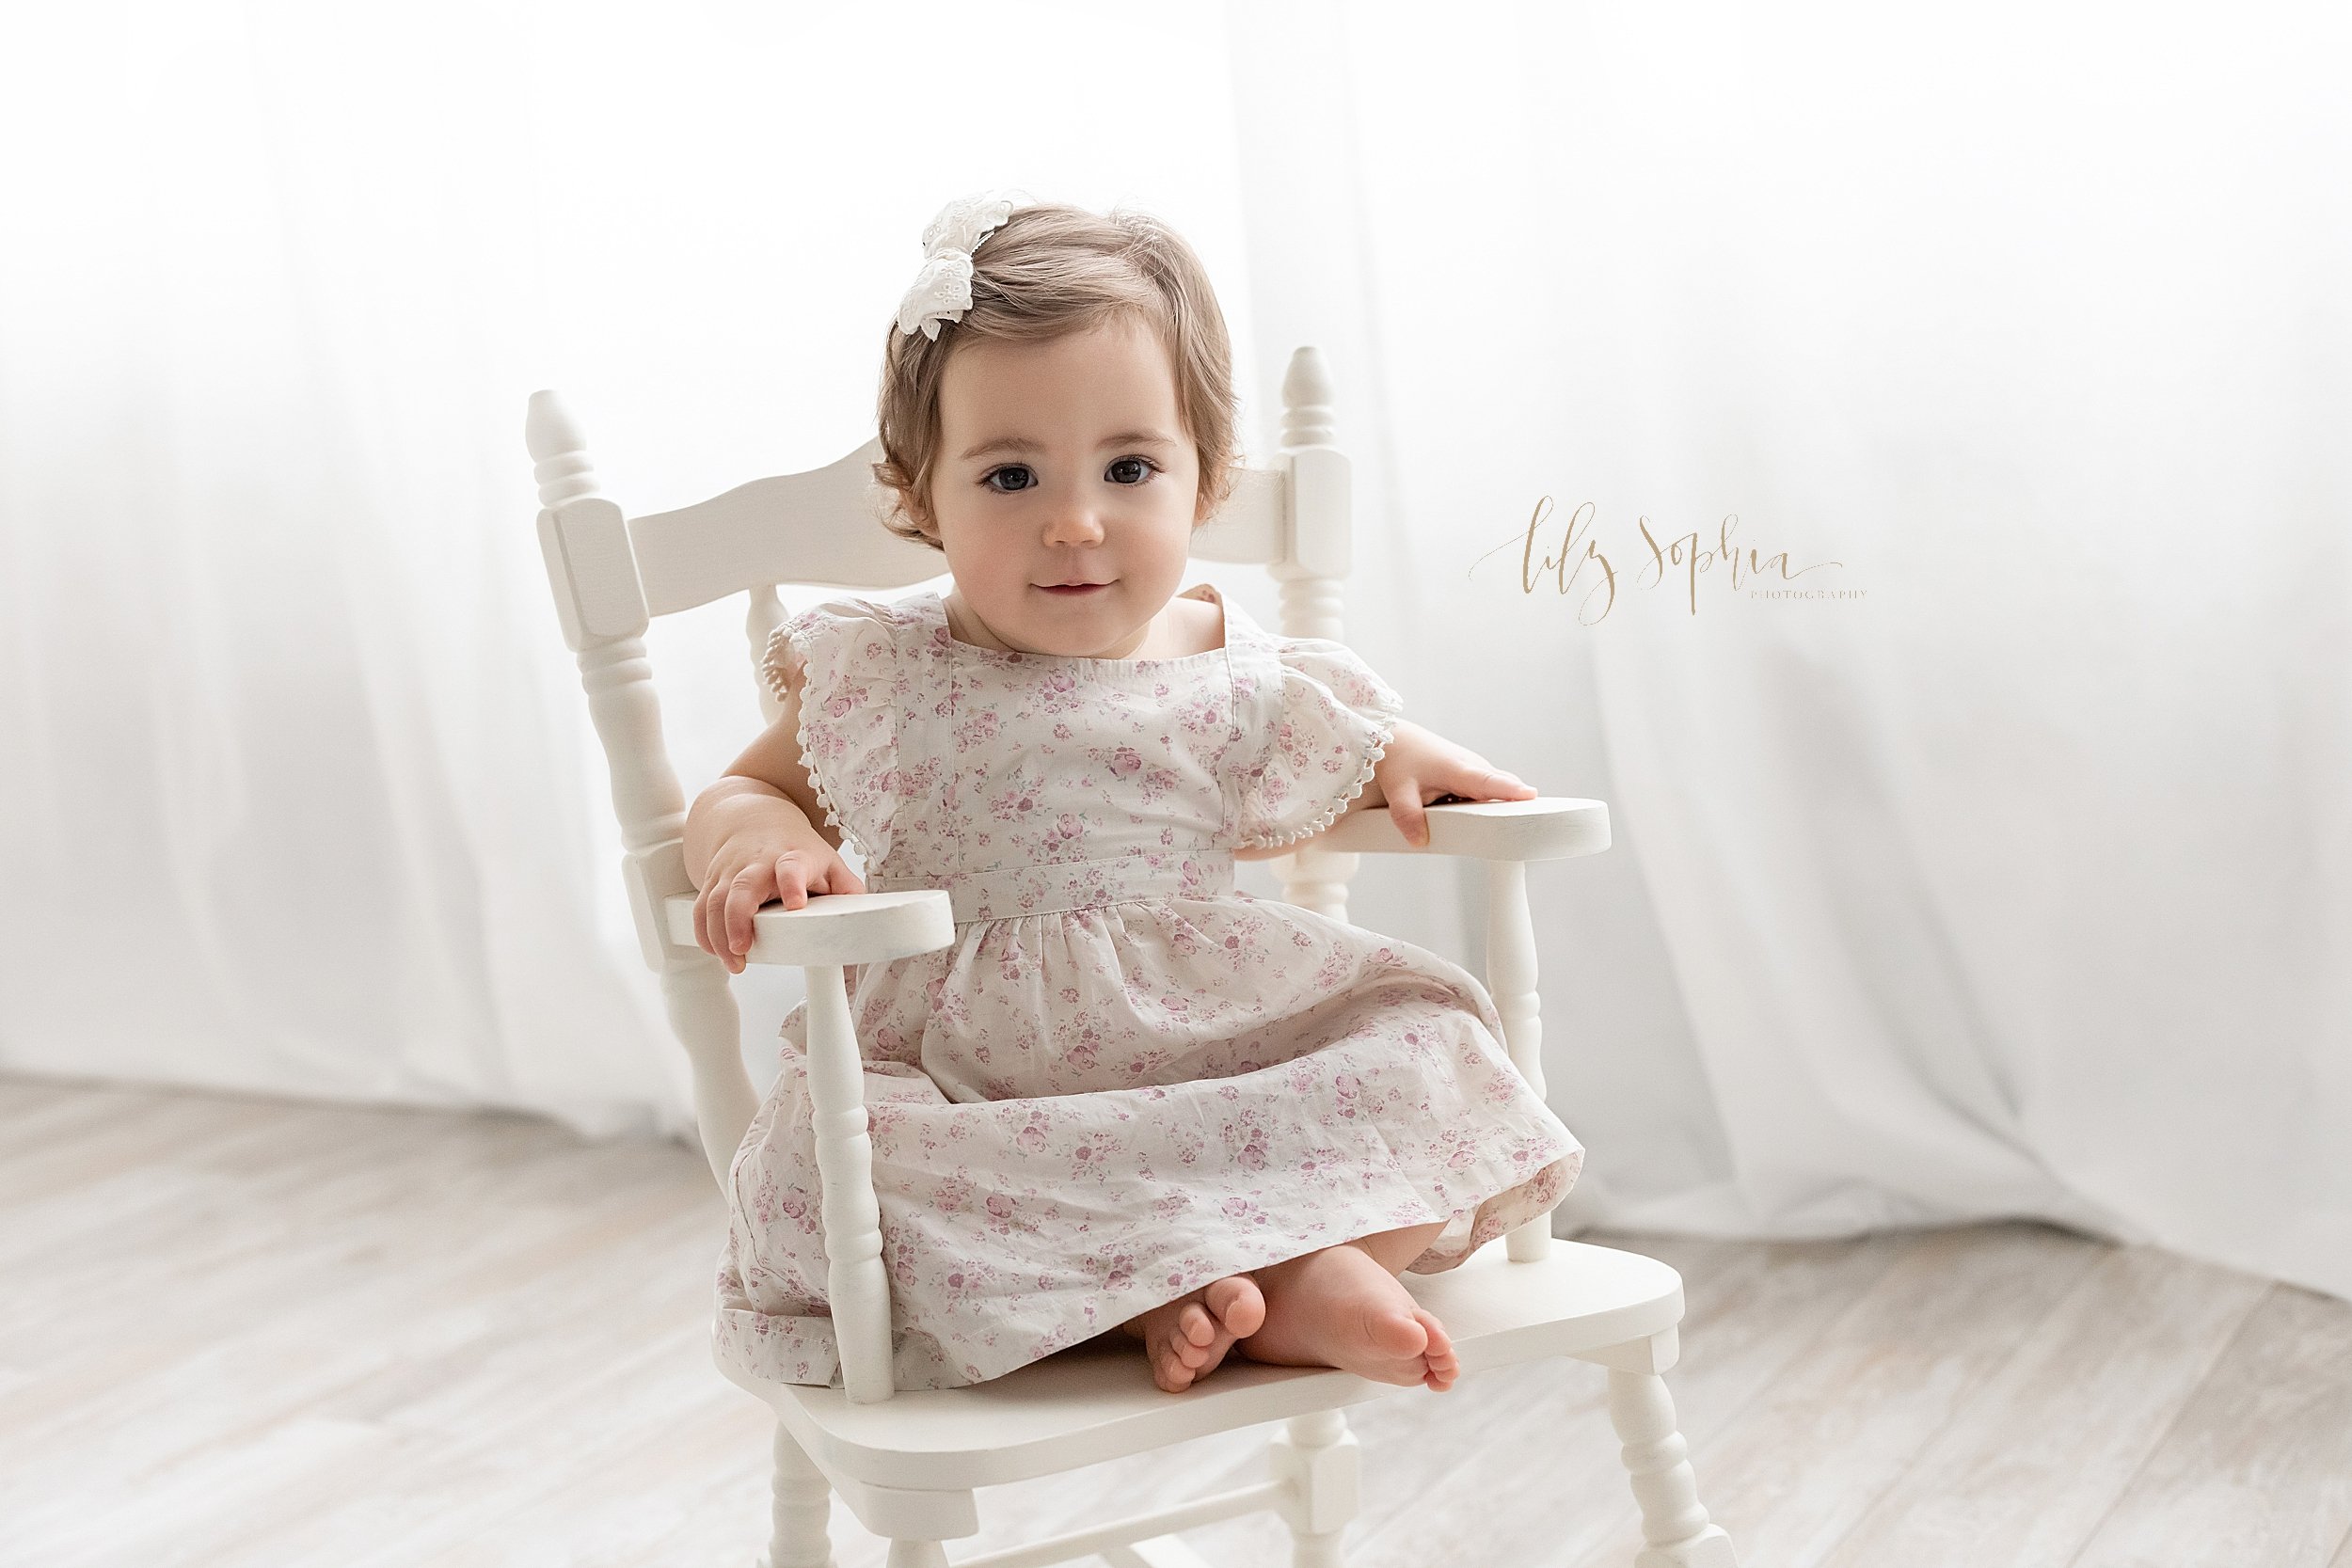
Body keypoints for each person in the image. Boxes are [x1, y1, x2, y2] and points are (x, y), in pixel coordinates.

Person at [685, 192, 1582, 1397]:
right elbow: (744, 788)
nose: (1073, 521)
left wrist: (1402, 753)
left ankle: (1294, 1273)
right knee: (832, 1159)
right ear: (920, 493)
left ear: (1202, 478)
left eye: (1128, 466)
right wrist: (763, 846)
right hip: (977, 1086)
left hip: (1209, 1049)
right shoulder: (886, 670)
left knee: (1429, 1047)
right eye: (1009, 475)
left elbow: (1341, 734)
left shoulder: (1222, 661)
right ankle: (1185, 1290)